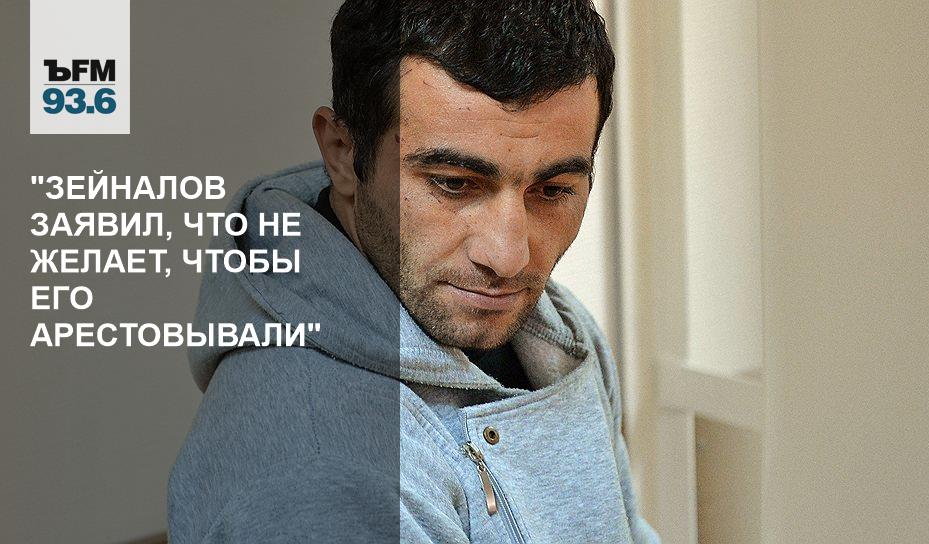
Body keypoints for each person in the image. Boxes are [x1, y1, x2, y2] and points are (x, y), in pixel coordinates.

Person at [168, 1, 661, 542]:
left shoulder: (558, 333)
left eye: (553, 190)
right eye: (454, 183)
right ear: (343, 153)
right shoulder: (313, 472)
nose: (508, 257)